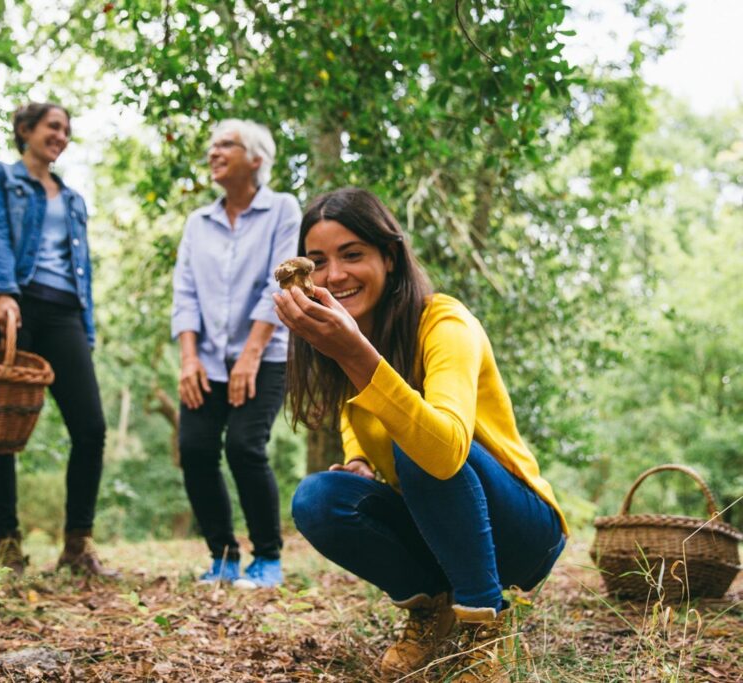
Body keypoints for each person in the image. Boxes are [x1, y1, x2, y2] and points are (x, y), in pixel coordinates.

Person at [273, 188, 567, 681]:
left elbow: (446, 448)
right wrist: (359, 460)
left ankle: (482, 625)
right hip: (441, 527)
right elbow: (356, 415)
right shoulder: (349, 338)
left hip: (521, 532)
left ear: (389, 257)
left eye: (352, 255)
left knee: (420, 446)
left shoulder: (444, 322)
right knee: (318, 498)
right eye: (318, 261)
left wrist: (354, 353)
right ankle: (432, 610)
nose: (334, 275)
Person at [0, 102, 115, 578]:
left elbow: (81, 269)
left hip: (64, 311)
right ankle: (8, 547)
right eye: (53, 127)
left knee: (90, 428)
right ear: (25, 130)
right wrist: (3, 293)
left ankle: (77, 546)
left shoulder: (72, 199)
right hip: (13, 304)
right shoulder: (0, 177)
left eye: (67, 130)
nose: (62, 136)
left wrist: (85, 329)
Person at [170, 119, 302, 588]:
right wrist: (188, 360)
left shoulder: (283, 209)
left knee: (245, 446)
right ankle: (222, 556)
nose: (213, 152)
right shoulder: (198, 223)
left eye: (225, 144)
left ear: (256, 159)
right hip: (205, 357)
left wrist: (250, 355)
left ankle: (267, 558)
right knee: (195, 448)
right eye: (211, 145)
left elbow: (281, 281)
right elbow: (184, 294)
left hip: (264, 355)